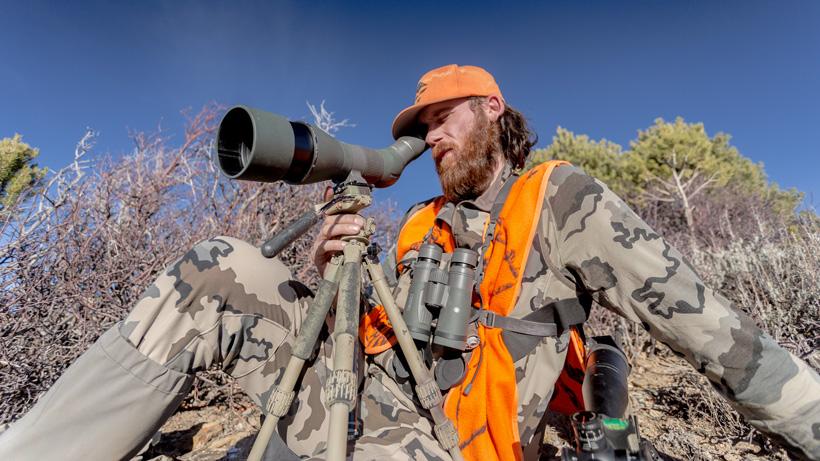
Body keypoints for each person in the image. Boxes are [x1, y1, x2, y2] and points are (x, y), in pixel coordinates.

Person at [0, 64, 817, 461]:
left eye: (444, 117)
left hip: (454, 443)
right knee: (218, 264)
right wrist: (326, 278)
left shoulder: (561, 201)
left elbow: (717, 330)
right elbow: (369, 346)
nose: (431, 136)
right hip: (370, 406)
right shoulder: (417, 222)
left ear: (492, 109)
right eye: (421, 124)